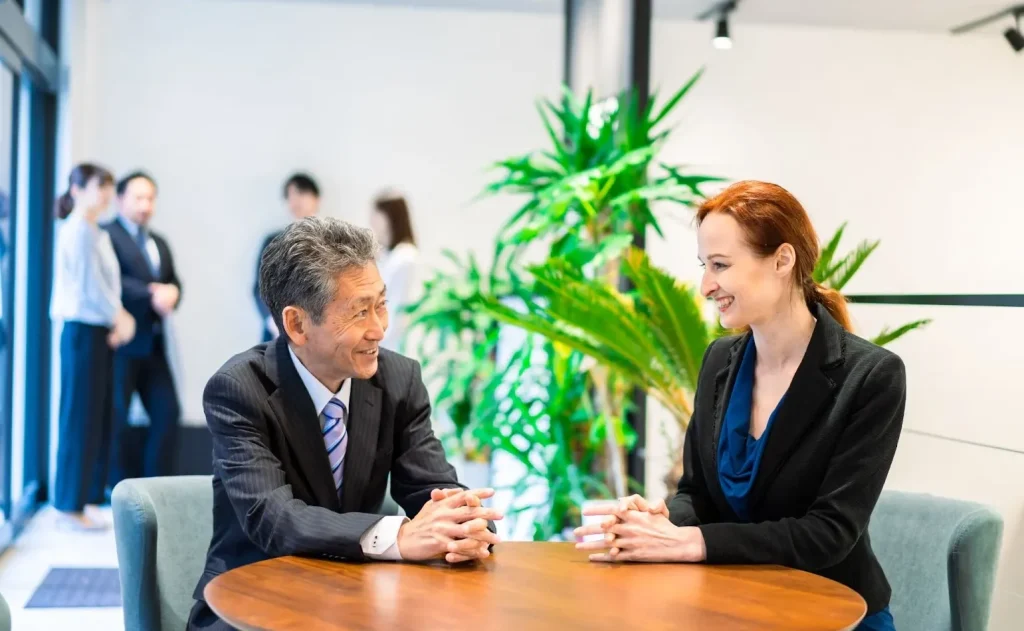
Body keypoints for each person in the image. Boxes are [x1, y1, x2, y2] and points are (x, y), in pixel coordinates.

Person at [576, 181, 905, 631]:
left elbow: (830, 533)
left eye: (720, 265)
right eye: (704, 266)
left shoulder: (871, 375)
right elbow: (697, 494)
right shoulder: (719, 361)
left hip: (831, 612)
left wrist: (693, 543)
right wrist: (659, 520)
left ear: (782, 260)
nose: (706, 285)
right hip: (731, 604)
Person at [187, 217, 502, 630]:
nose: (379, 329)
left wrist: (465, 522)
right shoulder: (241, 389)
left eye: (381, 304)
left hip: (353, 595)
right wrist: (398, 536)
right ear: (297, 324)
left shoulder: (398, 379)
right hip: (252, 597)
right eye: (359, 312)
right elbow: (275, 519)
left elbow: (430, 487)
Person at [49, 163, 136, 530]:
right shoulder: (78, 232)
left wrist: (115, 318)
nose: (104, 194)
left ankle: (82, 499)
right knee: (79, 417)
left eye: (107, 187)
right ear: (77, 188)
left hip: (97, 331)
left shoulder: (92, 230)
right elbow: (90, 290)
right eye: (99, 186)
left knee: (95, 415)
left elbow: (103, 286)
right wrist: (120, 316)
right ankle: (69, 505)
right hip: (83, 331)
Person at [105, 171, 182, 485]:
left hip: (154, 344)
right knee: (117, 420)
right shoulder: (106, 235)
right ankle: (116, 488)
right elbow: (111, 284)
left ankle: (156, 488)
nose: (145, 205)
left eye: (150, 198)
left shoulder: (158, 241)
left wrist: (174, 292)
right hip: (120, 344)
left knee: (167, 414)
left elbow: (173, 280)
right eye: (138, 197)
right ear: (121, 199)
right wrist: (152, 292)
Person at [253, 172, 321, 341]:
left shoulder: (332, 242)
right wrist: (274, 321)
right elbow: (259, 288)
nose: (295, 200)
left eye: (301, 193)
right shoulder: (273, 242)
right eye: (290, 196)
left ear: (316, 198)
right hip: (278, 333)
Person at [369, 191, 419, 351]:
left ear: (390, 218)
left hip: (392, 344)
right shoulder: (388, 255)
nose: (372, 222)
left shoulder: (405, 257)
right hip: (384, 341)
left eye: (377, 216)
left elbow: (396, 307)